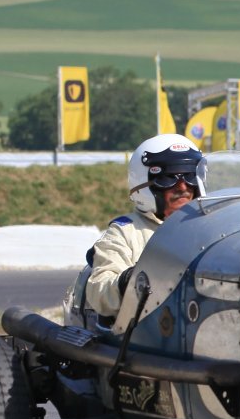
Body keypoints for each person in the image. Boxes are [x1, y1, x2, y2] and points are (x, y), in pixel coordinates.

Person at [84, 133, 207, 324]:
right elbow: (98, 291)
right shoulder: (126, 231)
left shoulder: (212, 226)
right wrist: (132, 279)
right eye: (169, 178)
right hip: (150, 331)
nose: (183, 187)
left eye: (190, 177)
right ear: (145, 185)